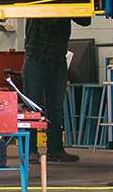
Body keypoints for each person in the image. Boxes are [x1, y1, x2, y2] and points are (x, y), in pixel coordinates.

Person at [22, 17, 78, 163]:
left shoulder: (66, 1)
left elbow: (85, 21)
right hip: (35, 58)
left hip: (58, 60)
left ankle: (55, 149)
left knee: (55, 108)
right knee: (31, 107)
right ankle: (30, 151)